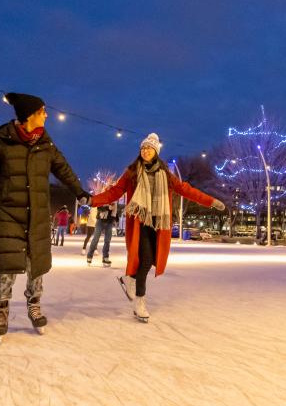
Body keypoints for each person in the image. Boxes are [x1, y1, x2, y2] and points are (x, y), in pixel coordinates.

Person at [0, 92, 89, 341]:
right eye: (42, 111)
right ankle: (1, 310)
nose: (47, 115)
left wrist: (79, 191)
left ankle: (34, 304)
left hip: (36, 213)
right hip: (8, 211)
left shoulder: (45, 144)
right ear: (30, 115)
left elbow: (63, 168)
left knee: (35, 263)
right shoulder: (1, 142)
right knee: (7, 264)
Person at [91, 133, 226, 323]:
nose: (146, 151)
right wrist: (92, 200)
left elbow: (187, 190)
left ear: (156, 151)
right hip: (141, 223)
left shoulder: (166, 175)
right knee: (145, 260)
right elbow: (114, 192)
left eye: (150, 148)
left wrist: (210, 201)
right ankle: (139, 302)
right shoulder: (132, 172)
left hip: (159, 224)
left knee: (151, 259)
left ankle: (129, 279)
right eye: (143, 148)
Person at [85, 200, 119, 266]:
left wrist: (116, 219)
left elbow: (115, 210)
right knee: (95, 239)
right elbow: (99, 207)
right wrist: (108, 207)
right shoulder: (103, 196)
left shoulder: (114, 199)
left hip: (109, 221)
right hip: (100, 220)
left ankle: (105, 257)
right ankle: (89, 256)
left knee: (107, 240)